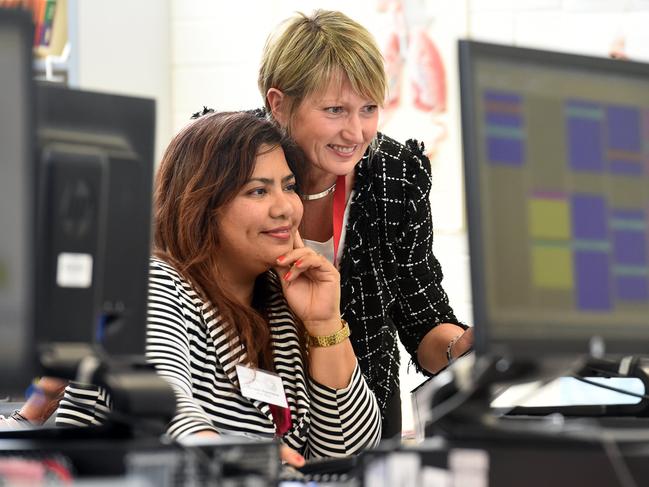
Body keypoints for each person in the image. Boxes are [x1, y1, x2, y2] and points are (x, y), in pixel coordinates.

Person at [24, 111, 381, 464]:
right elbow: (163, 405)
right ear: (201, 205)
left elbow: (348, 456)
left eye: (288, 187)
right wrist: (243, 457)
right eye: (258, 191)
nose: (285, 208)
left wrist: (325, 324)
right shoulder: (154, 283)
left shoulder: (280, 301)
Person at [257, 9, 473, 438]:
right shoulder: (234, 165)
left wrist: (461, 349)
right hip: (258, 414)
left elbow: (422, 317)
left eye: (369, 108)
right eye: (335, 109)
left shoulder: (396, 174)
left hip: (364, 417)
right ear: (279, 104)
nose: (356, 132)